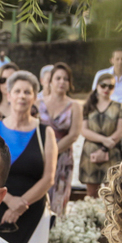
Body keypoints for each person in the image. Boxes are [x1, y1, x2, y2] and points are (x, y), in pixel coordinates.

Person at [0, 71, 57, 243]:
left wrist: (21, 205)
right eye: (17, 91)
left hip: (33, 211)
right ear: (8, 95)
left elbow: (49, 177)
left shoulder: (45, 133)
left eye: (28, 92)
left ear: (35, 97)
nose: (22, 96)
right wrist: (10, 201)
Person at [36, 62, 82, 216]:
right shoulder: (38, 103)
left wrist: (53, 153)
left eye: (65, 79)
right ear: (50, 81)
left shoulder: (74, 106)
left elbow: (74, 134)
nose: (62, 82)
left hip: (62, 159)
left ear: (69, 84)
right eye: (58, 78)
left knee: (58, 202)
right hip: (39, 156)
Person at [78, 72, 122, 199]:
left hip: (112, 152)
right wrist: (104, 140)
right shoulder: (88, 106)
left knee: (111, 194)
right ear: (97, 86)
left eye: (110, 86)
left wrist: (106, 147)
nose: (106, 89)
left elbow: (121, 130)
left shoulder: (119, 107)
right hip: (91, 152)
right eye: (103, 85)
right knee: (91, 195)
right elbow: (84, 130)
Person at [91, 48, 122, 114]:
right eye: (117, 59)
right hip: (104, 112)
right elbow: (94, 93)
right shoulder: (101, 75)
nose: (120, 62)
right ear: (112, 60)